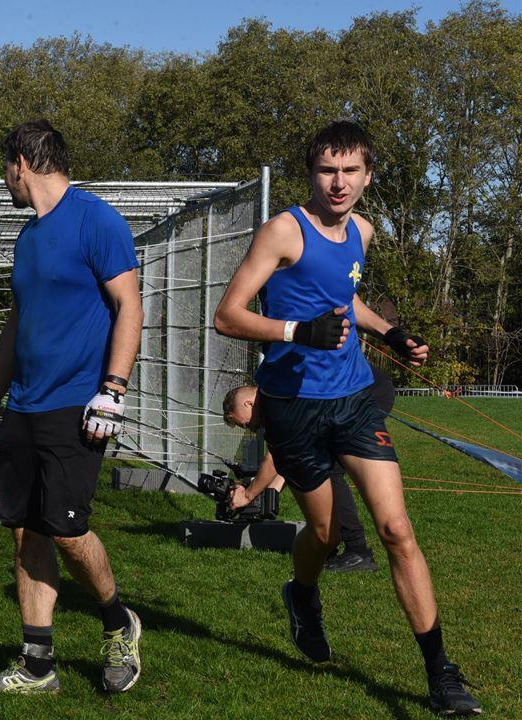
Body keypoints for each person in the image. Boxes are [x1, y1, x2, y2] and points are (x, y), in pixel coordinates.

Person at [212, 120, 479, 715]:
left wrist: (388, 330)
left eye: (350, 171)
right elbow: (227, 315)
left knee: (396, 530)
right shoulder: (283, 231)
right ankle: (302, 594)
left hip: (354, 399)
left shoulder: (363, 230)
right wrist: (297, 332)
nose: (339, 182)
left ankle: (441, 672)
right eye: (327, 170)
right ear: (311, 174)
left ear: (367, 176)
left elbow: (344, 298)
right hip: (293, 409)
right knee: (326, 537)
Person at [0, 121, 145, 695]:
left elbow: (130, 306)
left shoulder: (97, 220)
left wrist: (112, 390)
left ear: (20, 162)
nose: (5, 181)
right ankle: (38, 665)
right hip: (24, 404)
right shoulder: (27, 237)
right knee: (25, 531)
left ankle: (117, 620)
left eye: (5, 169)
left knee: (68, 532)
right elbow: (16, 323)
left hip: (79, 403)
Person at [224, 363, 397, 573]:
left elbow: (274, 458)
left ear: (248, 403)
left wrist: (248, 495)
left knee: (330, 471)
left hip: (367, 391)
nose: (250, 428)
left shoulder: (273, 400)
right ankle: (336, 544)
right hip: (348, 396)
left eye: (244, 424)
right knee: (321, 465)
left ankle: (357, 551)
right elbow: (289, 453)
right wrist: (272, 490)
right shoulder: (271, 393)